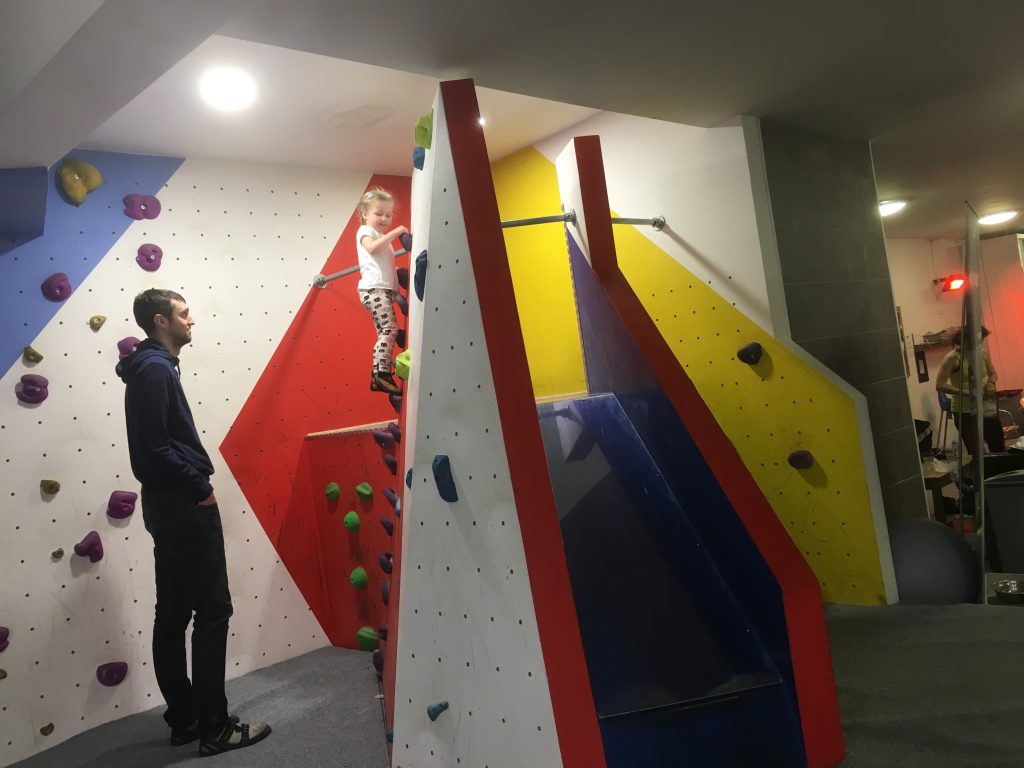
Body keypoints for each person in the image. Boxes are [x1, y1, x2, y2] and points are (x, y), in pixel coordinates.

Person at [116, 289, 271, 757]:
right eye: (185, 314)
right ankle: (215, 728)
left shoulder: (151, 368)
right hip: (183, 504)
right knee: (212, 612)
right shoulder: (156, 370)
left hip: (168, 506)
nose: (192, 321)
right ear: (161, 321)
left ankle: (185, 720)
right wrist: (198, 486)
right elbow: (153, 450)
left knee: (175, 614)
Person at [356, 188, 407, 394]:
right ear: (364, 214)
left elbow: (382, 265)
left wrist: (395, 288)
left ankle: (381, 371)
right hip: (373, 290)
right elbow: (372, 249)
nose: (385, 218)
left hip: (381, 290)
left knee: (386, 331)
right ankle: (380, 373)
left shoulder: (380, 236)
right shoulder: (365, 232)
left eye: (388, 215)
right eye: (379, 214)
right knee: (389, 330)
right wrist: (397, 232)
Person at [935, 326, 1004, 454]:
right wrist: (968, 393)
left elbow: (993, 373)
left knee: (998, 447)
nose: (979, 343)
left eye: (981, 340)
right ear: (965, 340)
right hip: (965, 411)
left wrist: (990, 382)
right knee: (977, 452)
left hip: (986, 407)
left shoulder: (982, 353)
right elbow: (940, 385)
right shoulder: (953, 358)